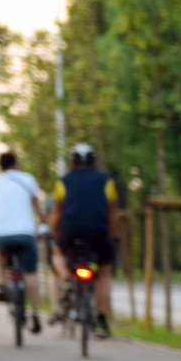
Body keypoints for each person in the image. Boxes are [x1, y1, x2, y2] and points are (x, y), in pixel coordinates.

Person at [50, 142, 119, 338]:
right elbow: (112, 214)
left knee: (57, 252)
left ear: (73, 162)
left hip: (71, 232)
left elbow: (57, 214)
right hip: (98, 232)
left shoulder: (62, 182)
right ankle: (102, 321)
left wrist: (53, 233)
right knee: (103, 273)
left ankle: (66, 278)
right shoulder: (107, 181)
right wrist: (111, 236)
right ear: (93, 161)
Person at [0, 150, 48, 334]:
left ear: (0, 167)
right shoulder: (28, 179)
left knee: (0, 256)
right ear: (16, 165)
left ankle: (2, 285)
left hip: (2, 235)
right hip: (26, 234)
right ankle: (34, 312)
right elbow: (38, 208)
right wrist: (45, 224)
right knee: (31, 273)